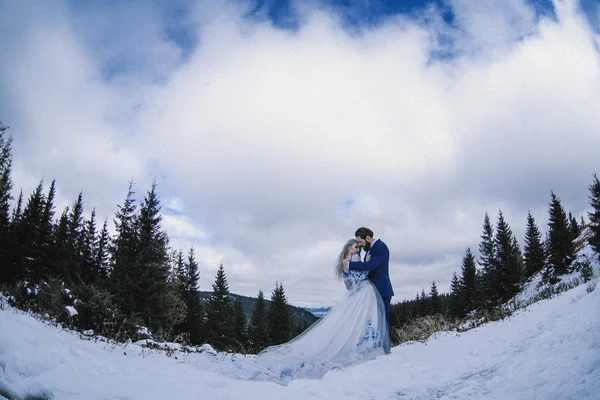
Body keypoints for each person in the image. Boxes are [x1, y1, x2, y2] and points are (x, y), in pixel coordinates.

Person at [199, 239, 390, 386]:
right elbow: (364, 273)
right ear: (350, 248)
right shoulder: (355, 259)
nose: (358, 249)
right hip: (363, 293)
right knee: (365, 321)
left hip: (355, 294)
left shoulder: (344, 263)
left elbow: (349, 285)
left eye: (358, 247)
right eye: (356, 246)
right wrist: (368, 264)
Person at [343, 227, 394, 352]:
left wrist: (348, 264)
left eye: (360, 242)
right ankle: (377, 347)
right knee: (375, 320)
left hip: (382, 290)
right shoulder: (369, 251)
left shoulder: (381, 247)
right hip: (372, 292)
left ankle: (387, 350)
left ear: (368, 238)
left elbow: (369, 266)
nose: (359, 245)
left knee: (384, 320)